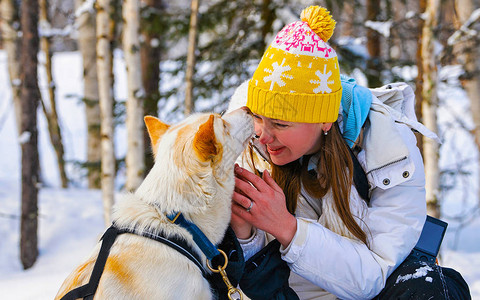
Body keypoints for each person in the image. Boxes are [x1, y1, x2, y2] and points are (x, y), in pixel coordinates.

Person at [217, 5, 471, 300]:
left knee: (430, 285)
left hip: (372, 291)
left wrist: (286, 226)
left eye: (280, 123)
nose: (263, 134)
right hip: (287, 292)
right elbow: (251, 276)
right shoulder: (248, 143)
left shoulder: (388, 149)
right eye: (258, 118)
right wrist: (245, 235)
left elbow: (374, 274)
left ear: (325, 119)